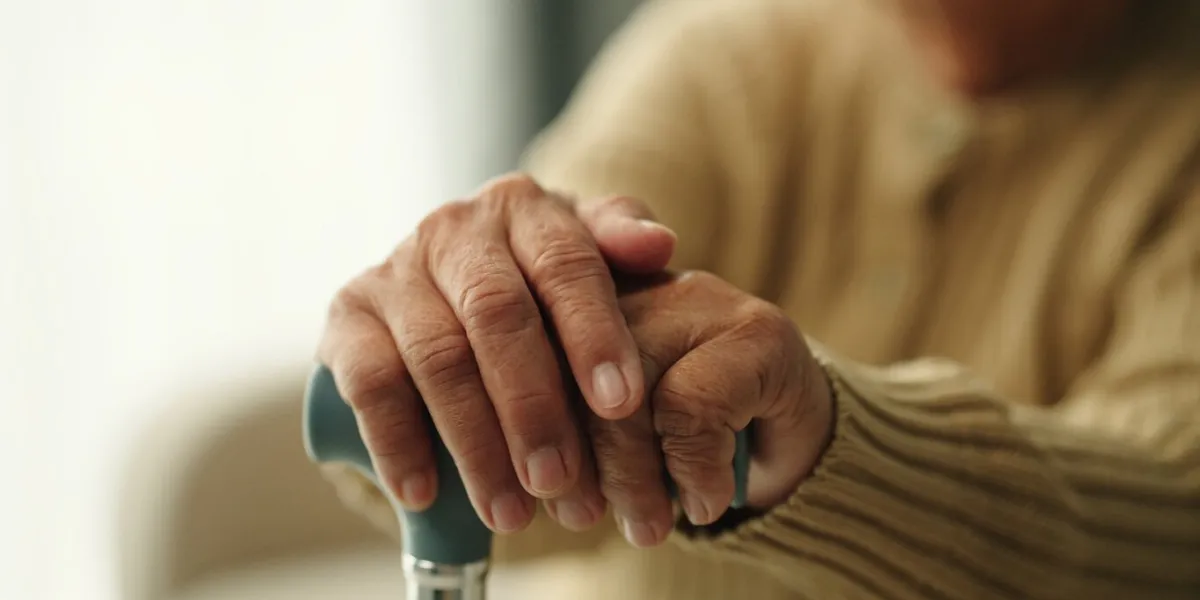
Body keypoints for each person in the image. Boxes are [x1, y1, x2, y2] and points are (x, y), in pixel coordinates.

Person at [316, 0, 1200, 598]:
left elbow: (1167, 528)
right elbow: (528, 476)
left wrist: (820, 448)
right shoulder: (733, 41)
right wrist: (475, 321)